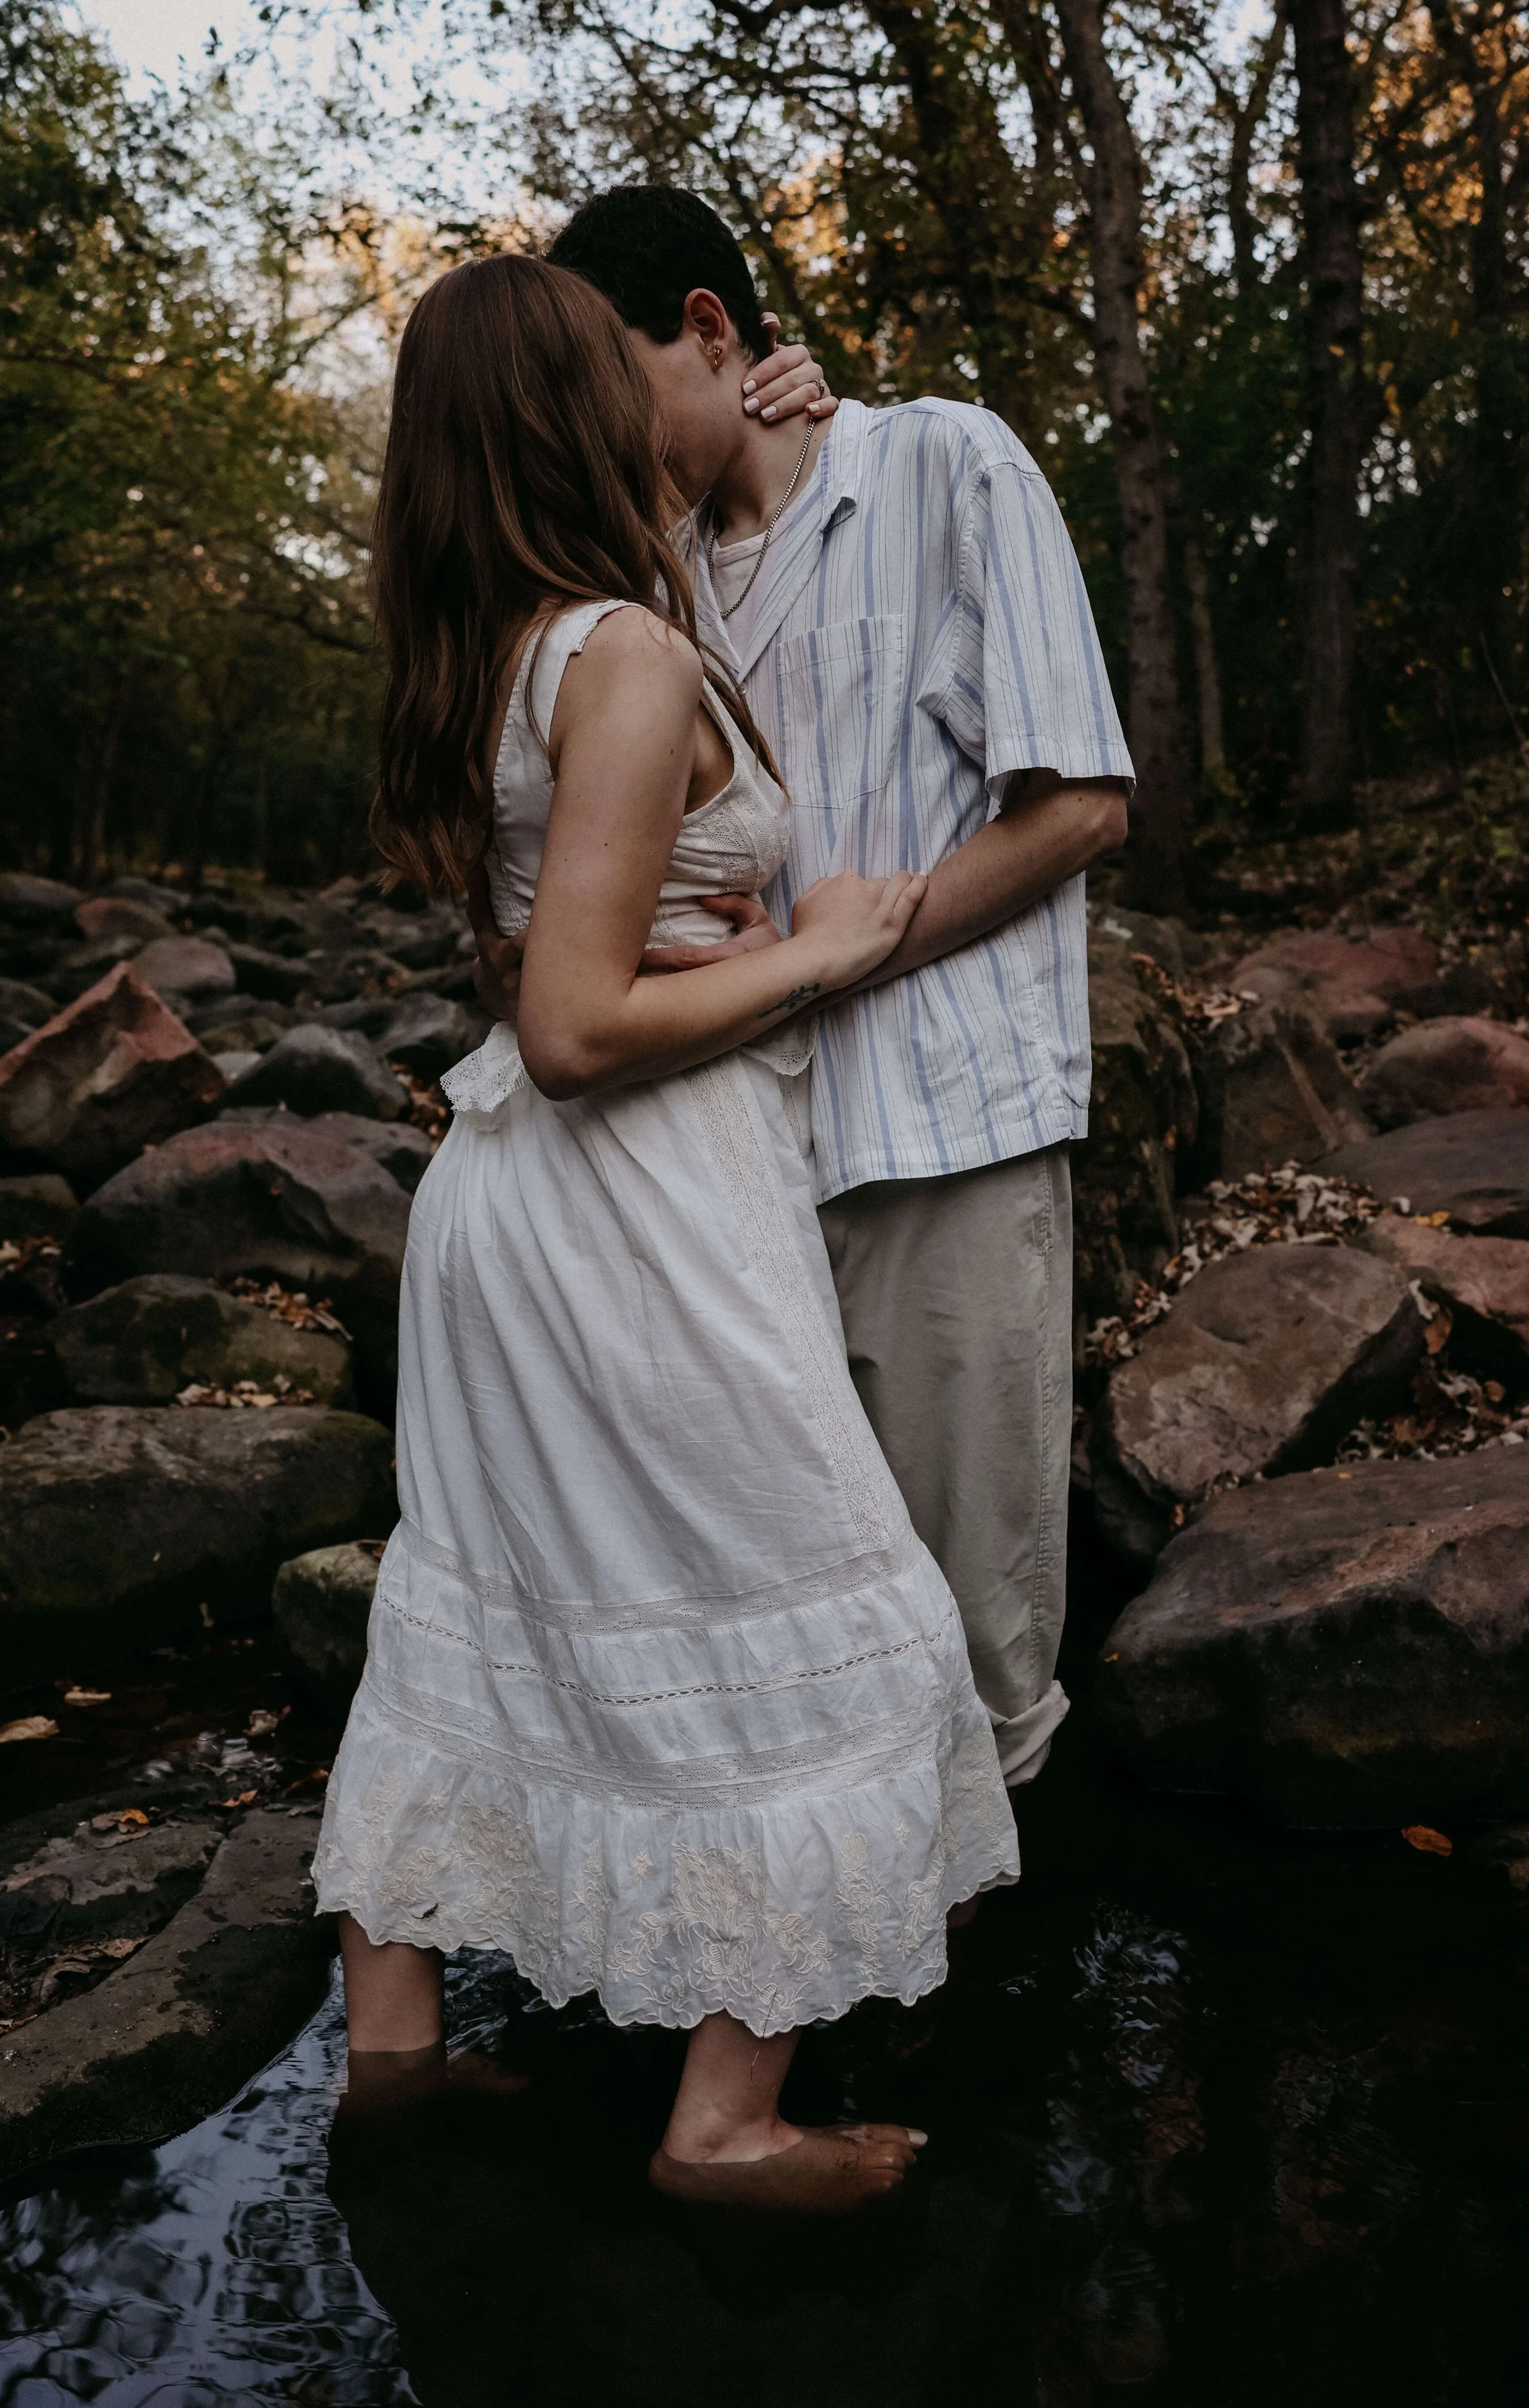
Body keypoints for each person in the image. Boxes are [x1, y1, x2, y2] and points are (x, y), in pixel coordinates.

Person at [311, 252, 1018, 2214]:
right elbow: (571, 1022)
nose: (649, 387)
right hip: (633, 1212)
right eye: (606, 363)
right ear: (568, 407)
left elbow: (540, 956)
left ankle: (394, 2052)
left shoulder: (490, 651)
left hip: (508, 1211)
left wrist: (780, 431)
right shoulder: (620, 653)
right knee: (846, 1628)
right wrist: (826, 947)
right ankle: (719, 2120)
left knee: (480, 1611)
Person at [473, 187, 1134, 1797]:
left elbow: (1078, 806)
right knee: (791, 1654)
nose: (600, 436)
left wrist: (836, 953)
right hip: (717, 1174)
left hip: (937, 1135)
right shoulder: (644, 576)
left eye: (616, 386)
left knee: (974, 1647)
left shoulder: (944, 463)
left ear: (710, 330)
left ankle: (974, 1940)